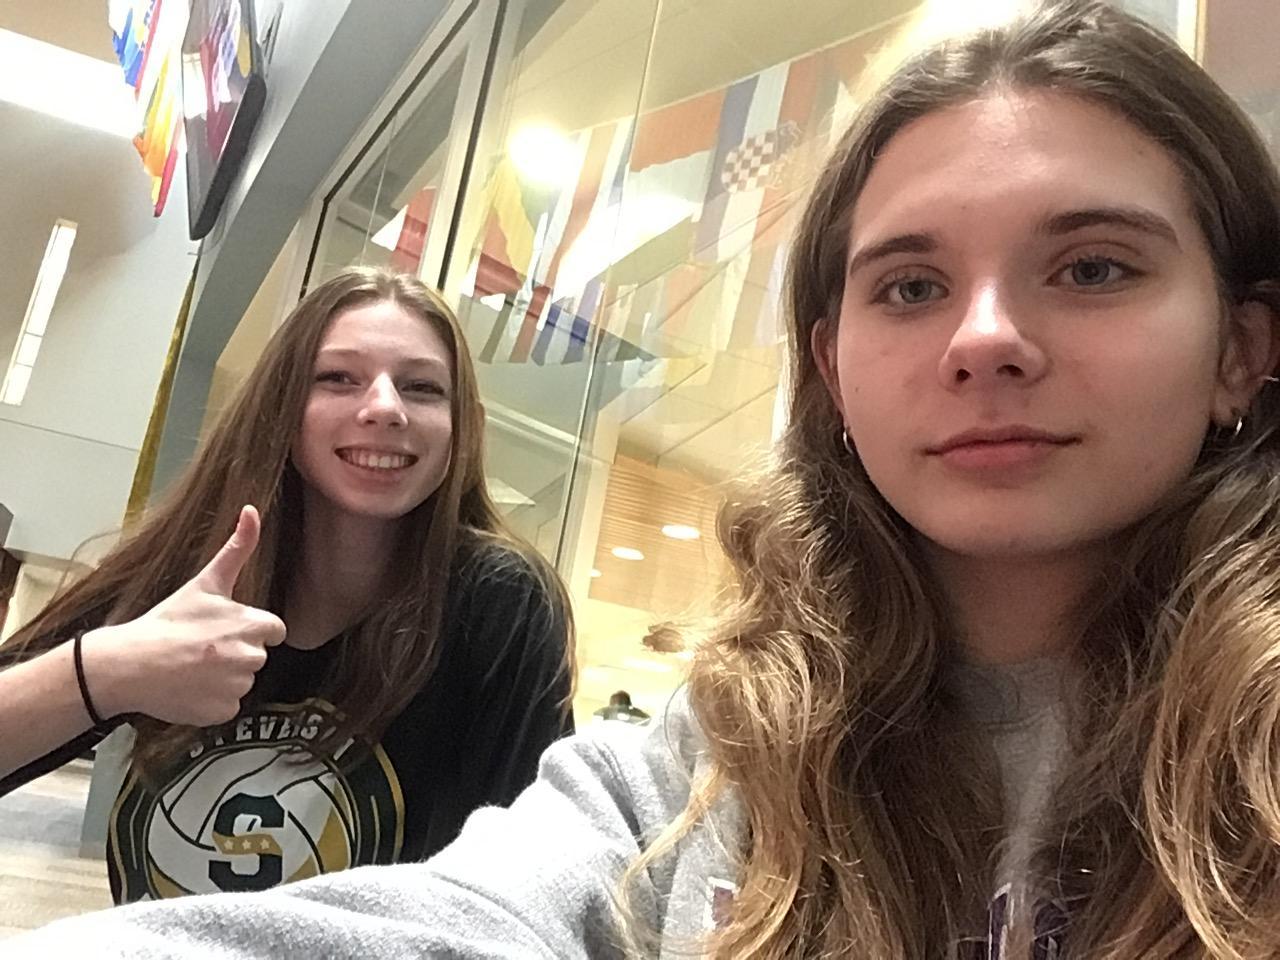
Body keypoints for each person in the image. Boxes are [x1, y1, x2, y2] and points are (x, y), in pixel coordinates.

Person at [10, 0, 1280, 955]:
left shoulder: (497, 599)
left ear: (1238, 347)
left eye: (1093, 268)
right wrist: (106, 672)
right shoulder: (725, 749)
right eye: (909, 285)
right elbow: (492, 903)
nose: (983, 339)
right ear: (831, 370)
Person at [0, 267, 574, 903]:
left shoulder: (501, 603)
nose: (385, 407)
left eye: (422, 387)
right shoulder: (188, 571)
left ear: (463, 426)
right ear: (281, 406)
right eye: (338, 378)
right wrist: (109, 670)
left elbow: (518, 895)